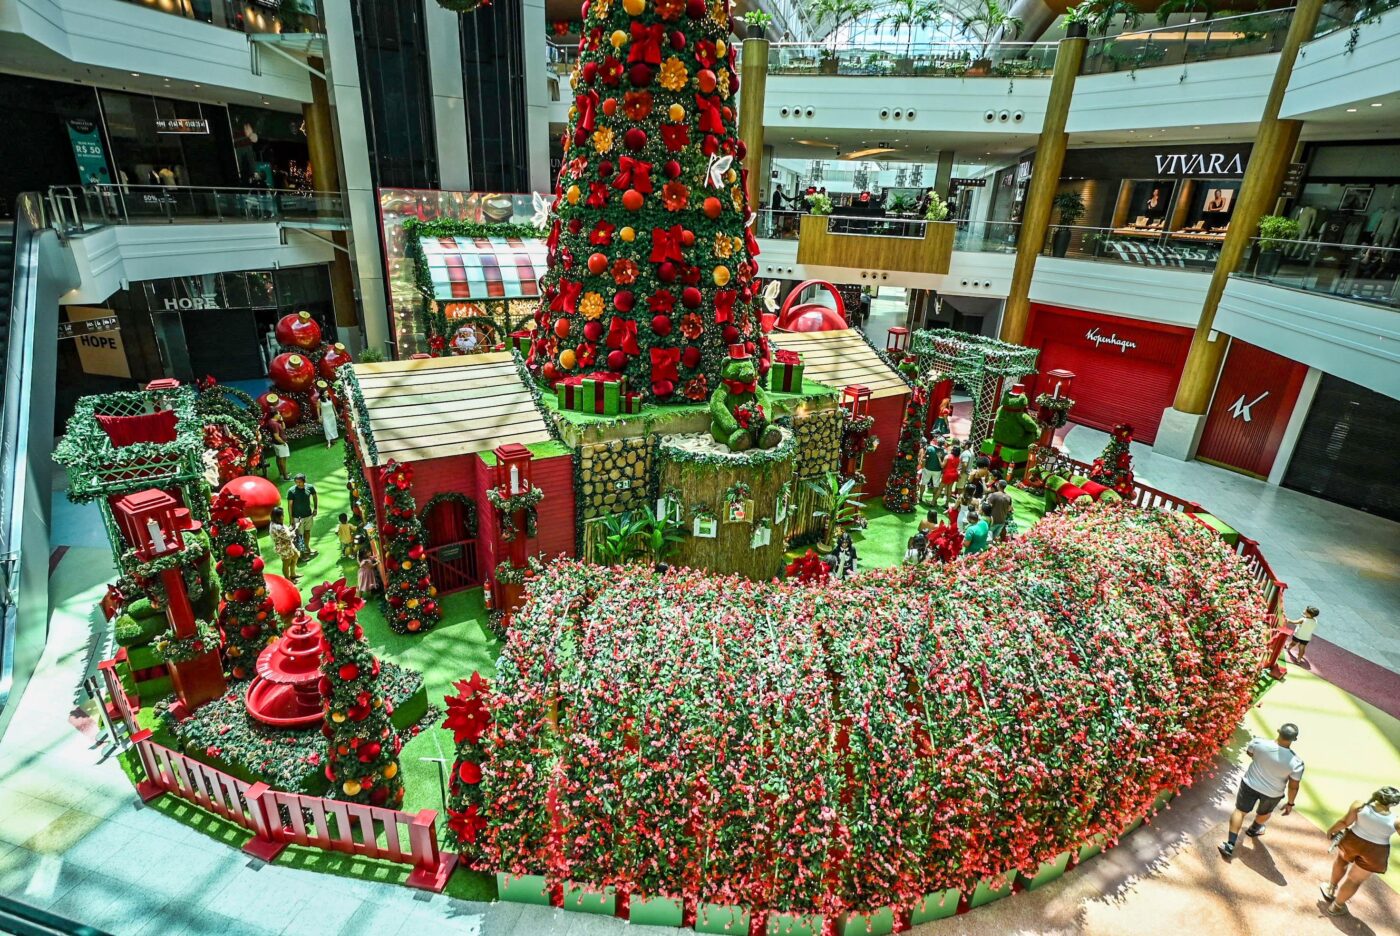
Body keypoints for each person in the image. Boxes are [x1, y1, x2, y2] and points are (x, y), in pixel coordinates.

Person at [1219, 723, 1304, 859]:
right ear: (1294, 739)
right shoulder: (1297, 763)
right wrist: (1290, 803)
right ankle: (1254, 829)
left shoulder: (1258, 742)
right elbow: (1293, 786)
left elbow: (1250, 753)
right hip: (1273, 793)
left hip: (1250, 784)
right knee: (1265, 812)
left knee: (1240, 812)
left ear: (1278, 731)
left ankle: (1229, 845)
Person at [1321, 786, 1400, 917]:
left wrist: (1331, 830)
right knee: (1354, 880)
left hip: (1352, 842)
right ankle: (1336, 907)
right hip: (1376, 853)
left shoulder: (1360, 806)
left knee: (1341, 862)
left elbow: (1344, 822)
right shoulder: (1396, 820)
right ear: (1393, 803)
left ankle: (1330, 889)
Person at [286, 473, 319, 560]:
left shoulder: (310, 487)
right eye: (296, 482)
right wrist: (291, 519)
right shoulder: (291, 491)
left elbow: (315, 496)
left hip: (308, 515)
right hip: (298, 518)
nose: (298, 484)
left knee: (307, 533)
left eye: (300, 482)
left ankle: (307, 548)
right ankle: (302, 554)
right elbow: (289, 506)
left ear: (304, 481)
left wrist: (315, 508)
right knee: (299, 536)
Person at [269, 507, 300, 581]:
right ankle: (288, 580)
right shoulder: (277, 527)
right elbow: (288, 536)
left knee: (296, 555)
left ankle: (292, 574)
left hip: (288, 545)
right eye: (282, 515)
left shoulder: (274, 523)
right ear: (279, 516)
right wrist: (295, 529)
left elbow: (285, 533)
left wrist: (290, 528)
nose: (283, 516)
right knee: (286, 563)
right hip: (283, 548)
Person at [267, 413, 290, 481]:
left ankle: (282, 472)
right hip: (280, 444)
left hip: (276, 444)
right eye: (279, 414)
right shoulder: (274, 424)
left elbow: (283, 428)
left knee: (278, 458)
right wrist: (283, 443)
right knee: (282, 460)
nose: (280, 415)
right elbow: (276, 436)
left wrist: (282, 421)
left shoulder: (272, 422)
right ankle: (285, 476)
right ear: (275, 415)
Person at [317, 382, 339, 448]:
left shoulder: (329, 398)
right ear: (322, 394)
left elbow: (333, 406)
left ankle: (332, 440)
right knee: (327, 428)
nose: (327, 394)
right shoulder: (319, 400)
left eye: (327, 392)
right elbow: (318, 409)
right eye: (326, 393)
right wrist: (319, 417)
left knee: (332, 427)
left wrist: (336, 413)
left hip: (331, 415)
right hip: (325, 416)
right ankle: (328, 442)